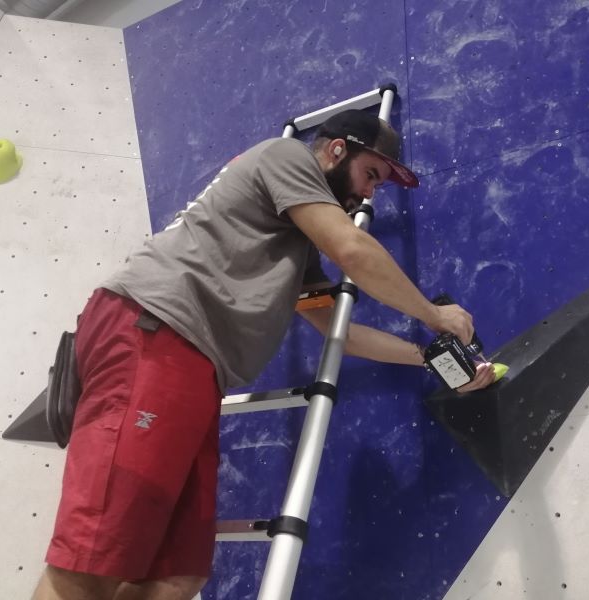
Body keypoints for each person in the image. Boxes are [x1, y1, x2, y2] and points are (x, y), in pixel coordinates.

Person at [32, 109, 497, 600]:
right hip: (156, 332)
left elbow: (339, 333)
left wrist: (433, 360)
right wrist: (432, 313)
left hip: (193, 364)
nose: (368, 195)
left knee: (176, 575)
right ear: (338, 149)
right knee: (92, 561)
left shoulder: (296, 249)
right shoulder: (286, 157)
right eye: (371, 175)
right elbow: (353, 249)